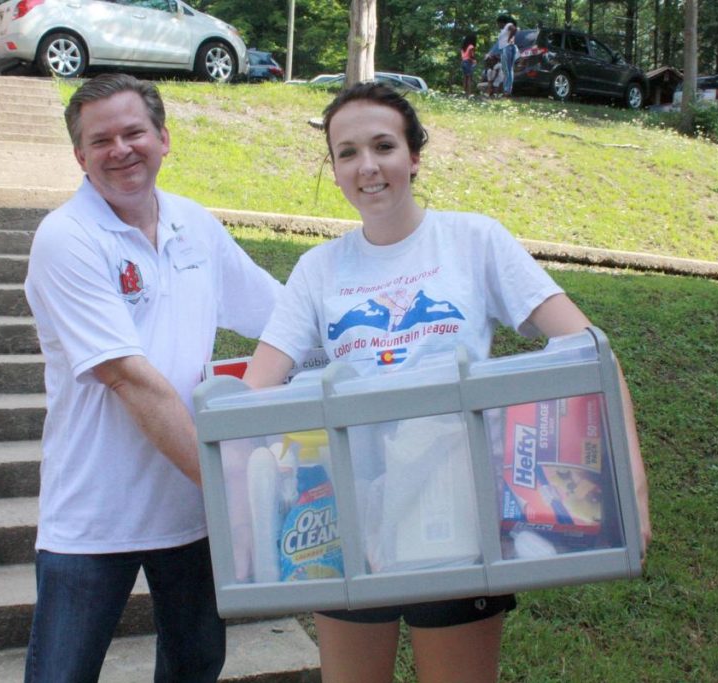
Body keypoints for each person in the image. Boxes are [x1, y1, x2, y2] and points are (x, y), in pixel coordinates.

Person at [241, 83, 651, 683]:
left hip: (456, 514)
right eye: (347, 152)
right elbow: (255, 394)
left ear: (414, 157)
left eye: (383, 146)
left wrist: (631, 489)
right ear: (333, 169)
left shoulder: (472, 240)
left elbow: (591, 354)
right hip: (348, 518)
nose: (367, 166)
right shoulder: (317, 270)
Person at [23, 73, 282, 683]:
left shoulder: (195, 224)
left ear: (164, 138)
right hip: (94, 514)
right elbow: (130, 379)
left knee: (196, 666)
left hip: (188, 513)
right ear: (79, 156)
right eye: (101, 139)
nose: (121, 149)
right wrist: (230, 486)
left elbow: (282, 318)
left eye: (134, 131)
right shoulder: (67, 238)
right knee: (62, 673)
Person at [496, 14, 518, 97]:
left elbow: (514, 29)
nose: (497, 25)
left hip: (507, 48)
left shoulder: (508, 25)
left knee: (506, 70)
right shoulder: (504, 30)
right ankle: (508, 90)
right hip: (507, 49)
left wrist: (509, 39)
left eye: (498, 23)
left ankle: (506, 90)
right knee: (509, 70)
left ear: (501, 22)